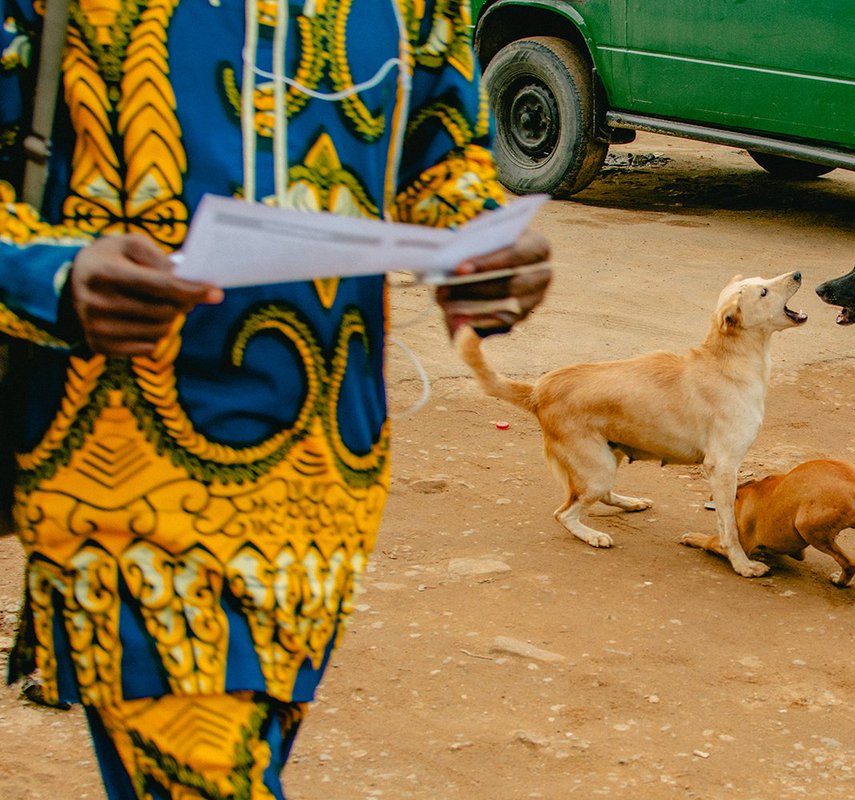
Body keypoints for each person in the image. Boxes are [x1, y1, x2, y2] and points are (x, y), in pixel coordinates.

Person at [0, 0, 550, 796]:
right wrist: (51, 274)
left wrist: (481, 238)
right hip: (122, 465)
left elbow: (439, 145)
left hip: (329, 476)